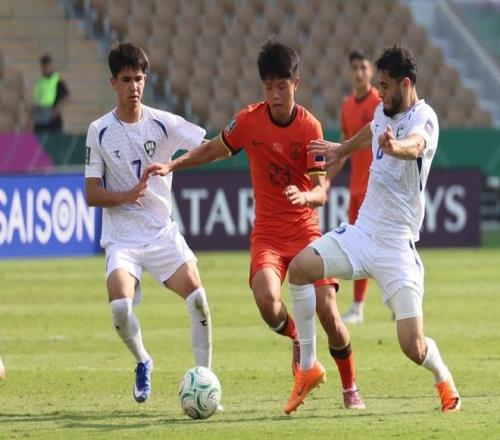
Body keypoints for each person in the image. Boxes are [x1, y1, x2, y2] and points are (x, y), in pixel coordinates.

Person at [146, 37, 365, 412]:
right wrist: (173, 164)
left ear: (296, 84)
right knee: (266, 300)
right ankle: (298, 339)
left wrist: (306, 197)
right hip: (268, 235)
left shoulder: (309, 127)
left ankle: (350, 387)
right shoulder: (248, 121)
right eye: (269, 87)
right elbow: (213, 149)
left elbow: (321, 191)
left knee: (328, 311)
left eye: (282, 86)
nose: (275, 95)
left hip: (306, 233)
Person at [284, 44, 461, 414]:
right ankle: (307, 367)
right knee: (299, 269)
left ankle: (442, 374)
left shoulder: (425, 118)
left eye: (385, 85)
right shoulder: (383, 111)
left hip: (397, 246)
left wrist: (395, 147)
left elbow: (416, 145)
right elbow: (372, 127)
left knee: (413, 346)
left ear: (405, 84)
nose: (379, 93)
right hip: (363, 233)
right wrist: (343, 149)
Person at [84, 43, 213, 404]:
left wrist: (180, 162)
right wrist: (126, 196)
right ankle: (143, 360)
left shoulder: (163, 123)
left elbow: (209, 146)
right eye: (126, 79)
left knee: (199, 300)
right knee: (120, 308)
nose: (134, 87)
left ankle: (206, 380)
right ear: (113, 83)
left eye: (139, 79)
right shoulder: (99, 130)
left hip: (161, 233)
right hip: (122, 238)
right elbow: (91, 194)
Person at [329, 51, 380, 324]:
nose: (359, 73)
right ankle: (359, 307)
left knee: (381, 245)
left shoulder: (379, 103)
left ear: (371, 71)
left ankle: (361, 307)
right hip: (355, 188)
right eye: (355, 68)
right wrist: (326, 179)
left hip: (378, 188)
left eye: (363, 67)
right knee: (362, 247)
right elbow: (344, 148)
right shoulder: (347, 106)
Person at [32, 54, 70, 134]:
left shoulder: (57, 80)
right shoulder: (40, 81)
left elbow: (66, 97)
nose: (45, 68)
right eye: (43, 66)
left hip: (52, 119)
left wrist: (55, 111)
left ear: (51, 66)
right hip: (41, 116)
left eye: (47, 66)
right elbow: (36, 98)